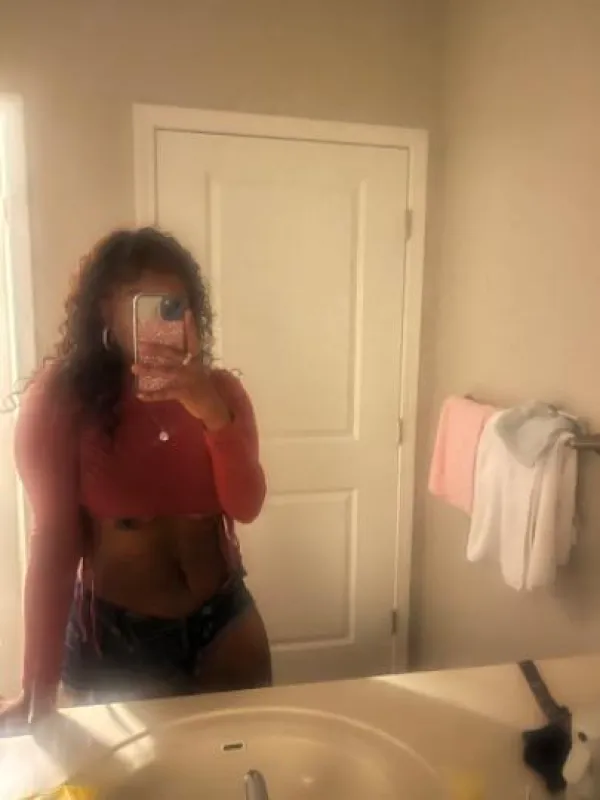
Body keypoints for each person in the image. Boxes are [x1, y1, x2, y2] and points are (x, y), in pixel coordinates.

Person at [0, 227, 271, 732]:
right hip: (119, 638)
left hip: (225, 620)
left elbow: (246, 506)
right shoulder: (62, 399)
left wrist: (212, 415)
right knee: (137, 774)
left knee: (241, 759)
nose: (160, 321)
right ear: (105, 309)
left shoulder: (221, 392)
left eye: (174, 305)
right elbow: (54, 542)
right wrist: (36, 689)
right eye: (145, 303)